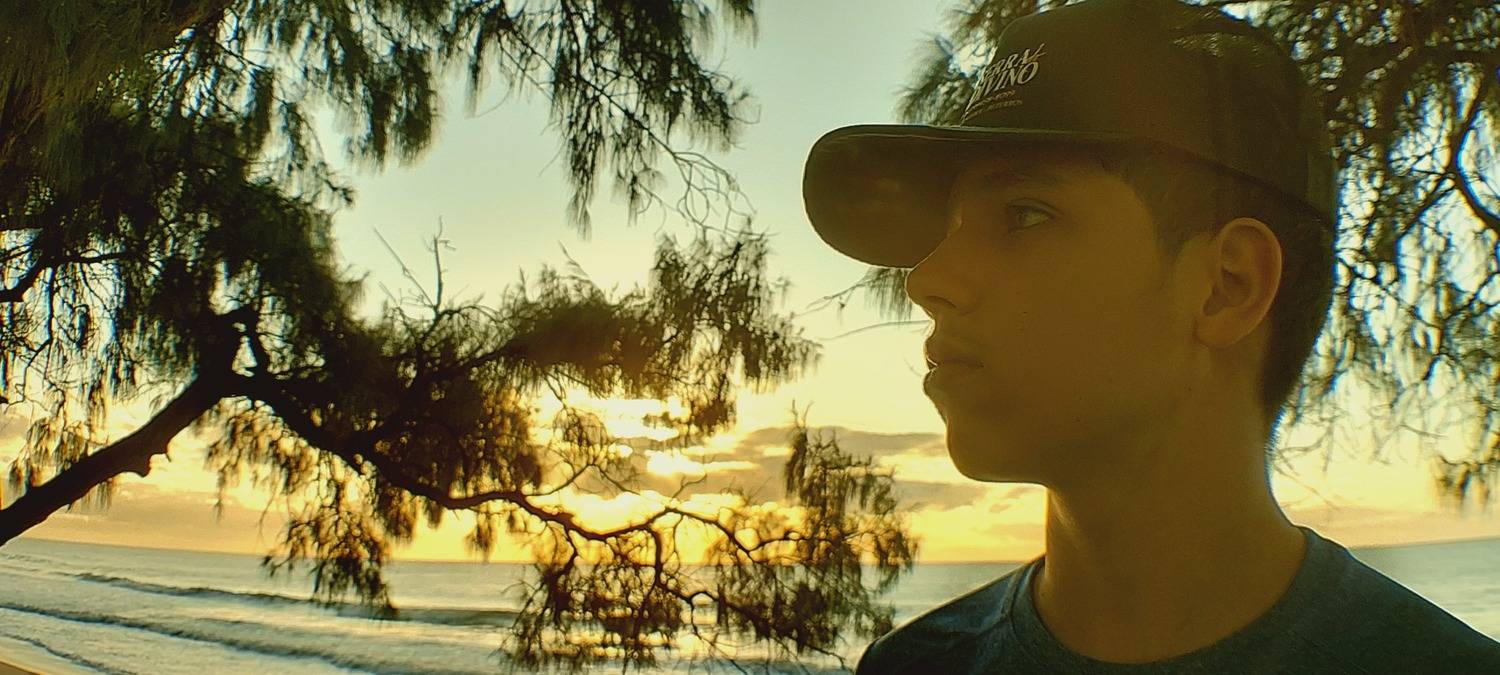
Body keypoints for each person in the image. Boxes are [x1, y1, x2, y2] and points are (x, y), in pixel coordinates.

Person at [799, 0, 1500, 672]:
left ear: (1228, 285)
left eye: (1025, 214)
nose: (928, 278)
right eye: (951, 228)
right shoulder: (913, 665)